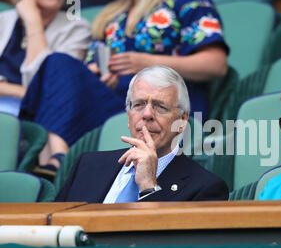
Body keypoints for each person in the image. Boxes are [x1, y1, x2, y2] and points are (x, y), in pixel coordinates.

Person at [19, 0, 228, 177]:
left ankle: (56, 161)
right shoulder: (112, 14)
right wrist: (100, 75)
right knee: (58, 63)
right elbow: (94, 66)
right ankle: (57, 157)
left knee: (58, 65)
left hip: (161, 108)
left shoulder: (187, 1)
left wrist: (146, 62)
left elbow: (216, 64)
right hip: (116, 107)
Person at [55, 65, 229, 203]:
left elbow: (169, 245)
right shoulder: (87, 166)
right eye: (138, 105)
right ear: (128, 116)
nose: (147, 114)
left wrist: (148, 187)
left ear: (182, 121)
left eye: (160, 107)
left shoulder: (205, 188)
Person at [0, 0, 91, 116]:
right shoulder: (3, 20)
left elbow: (47, 87)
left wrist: (33, 21)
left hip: (35, 119)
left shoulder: (77, 29)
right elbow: (34, 95)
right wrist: (23, 92)